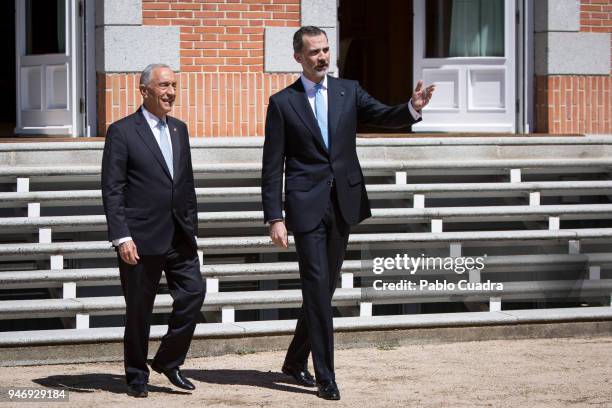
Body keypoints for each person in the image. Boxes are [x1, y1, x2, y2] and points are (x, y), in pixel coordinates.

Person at [261, 26, 435, 401]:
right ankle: (326, 375)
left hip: (343, 204)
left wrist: (411, 108)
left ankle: (293, 362)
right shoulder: (282, 103)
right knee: (317, 286)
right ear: (298, 57)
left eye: (326, 50)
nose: (322, 57)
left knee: (325, 287)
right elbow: (272, 165)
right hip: (305, 208)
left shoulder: (347, 90)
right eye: (314, 52)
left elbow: (383, 115)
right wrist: (274, 216)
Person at [101, 63, 205, 398]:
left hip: (179, 235)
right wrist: (122, 236)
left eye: (173, 85)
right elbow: (112, 188)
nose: (170, 92)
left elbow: (185, 183)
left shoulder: (179, 129)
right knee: (139, 310)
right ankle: (136, 374)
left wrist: (192, 225)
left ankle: (169, 361)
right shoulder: (122, 132)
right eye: (163, 86)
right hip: (140, 238)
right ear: (144, 90)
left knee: (193, 293)